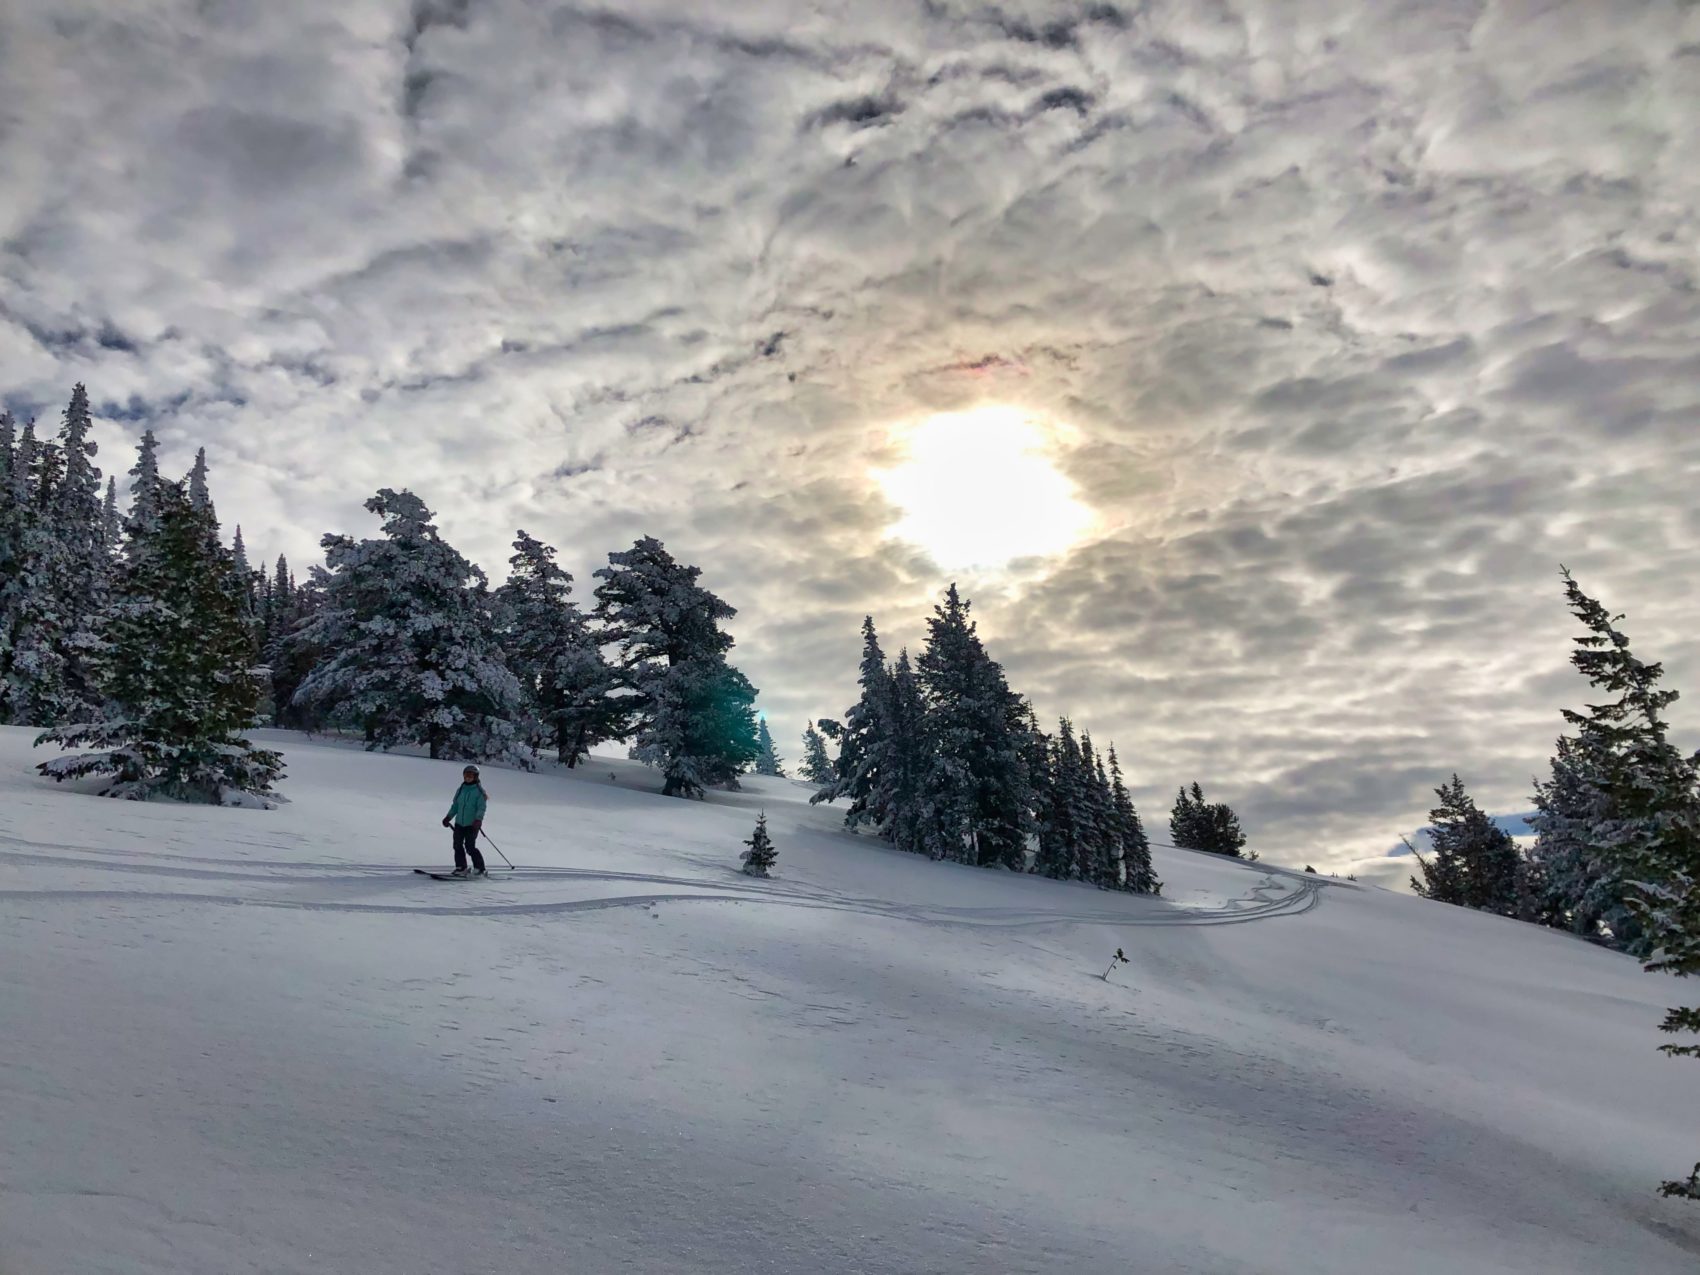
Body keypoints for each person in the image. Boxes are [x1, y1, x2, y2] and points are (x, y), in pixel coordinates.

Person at [442, 764, 488, 878]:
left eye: (470, 775)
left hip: (471, 824)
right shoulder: (461, 789)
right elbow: (456, 806)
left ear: (476, 777)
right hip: (459, 823)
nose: (468, 777)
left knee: (470, 847)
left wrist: (478, 820)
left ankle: (480, 868)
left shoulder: (479, 791)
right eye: (466, 775)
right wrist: (448, 817)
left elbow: (481, 807)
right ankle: (461, 867)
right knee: (457, 845)